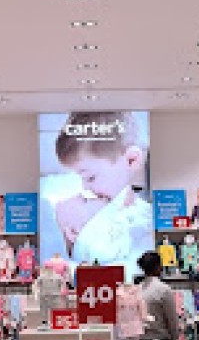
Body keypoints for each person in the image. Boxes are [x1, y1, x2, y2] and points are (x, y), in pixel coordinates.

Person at [52, 112, 152, 279]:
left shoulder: (144, 217)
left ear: (131, 160)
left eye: (91, 177)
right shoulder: (88, 232)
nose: (86, 188)